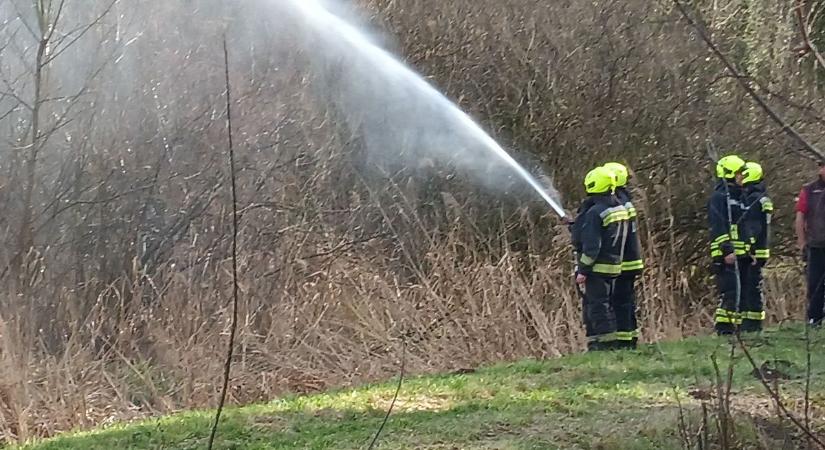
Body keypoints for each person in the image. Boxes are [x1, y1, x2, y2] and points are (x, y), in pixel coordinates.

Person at [571, 166, 629, 351]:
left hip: (597, 269)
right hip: (614, 266)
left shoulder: (595, 213)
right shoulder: (617, 208)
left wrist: (583, 270)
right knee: (607, 306)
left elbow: (592, 247)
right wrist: (575, 224)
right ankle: (602, 344)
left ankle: (605, 345)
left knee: (598, 308)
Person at [602, 162, 643, 349]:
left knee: (618, 303)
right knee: (626, 302)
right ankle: (629, 339)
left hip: (621, 263)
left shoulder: (615, 204)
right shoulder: (625, 201)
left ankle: (623, 343)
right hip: (631, 261)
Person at [708, 155, 747, 335]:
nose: (743, 177)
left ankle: (734, 329)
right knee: (730, 290)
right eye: (740, 174)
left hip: (738, 253)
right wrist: (726, 250)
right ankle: (724, 328)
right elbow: (718, 226)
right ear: (730, 174)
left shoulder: (737, 196)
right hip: (726, 254)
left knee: (738, 291)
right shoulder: (719, 197)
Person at [740, 162, 772, 332]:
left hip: (754, 251)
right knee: (753, 286)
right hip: (761, 249)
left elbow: (753, 226)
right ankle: (753, 323)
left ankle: (751, 326)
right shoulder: (762, 196)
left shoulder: (753, 199)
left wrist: (747, 247)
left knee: (751, 287)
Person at [795, 161, 825, 325]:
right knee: (815, 284)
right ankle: (814, 319)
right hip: (816, 245)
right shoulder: (809, 190)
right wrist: (802, 242)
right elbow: (800, 216)